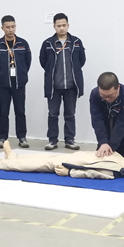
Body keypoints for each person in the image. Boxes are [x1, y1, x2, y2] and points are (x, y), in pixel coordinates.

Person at [39, 13, 86, 151]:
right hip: (54, 86)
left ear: (68, 25)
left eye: (64, 25)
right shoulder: (48, 43)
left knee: (70, 114)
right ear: (54, 26)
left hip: (71, 85)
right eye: (58, 25)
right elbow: (43, 62)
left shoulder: (76, 42)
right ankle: (52, 140)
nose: (61, 28)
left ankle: (70, 140)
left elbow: (81, 61)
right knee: (53, 114)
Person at [0, 140, 124, 180]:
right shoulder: (122, 160)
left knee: (40, 164)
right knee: (44, 157)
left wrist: (70, 172)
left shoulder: (116, 171)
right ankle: (13, 157)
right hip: (76, 158)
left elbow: (92, 173)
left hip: (71, 165)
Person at [0, 15, 31, 149]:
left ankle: (22, 137)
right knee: (3, 112)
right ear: (2, 28)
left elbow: (27, 62)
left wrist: (22, 74)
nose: (10, 30)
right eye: (7, 27)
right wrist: (1, 74)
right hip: (3, 85)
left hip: (19, 84)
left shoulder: (23, 44)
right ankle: (2, 138)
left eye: (13, 26)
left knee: (20, 112)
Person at [89, 72, 124, 160]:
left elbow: (122, 124)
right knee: (101, 162)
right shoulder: (95, 95)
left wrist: (111, 146)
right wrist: (103, 142)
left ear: (118, 88)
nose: (107, 99)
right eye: (103, 96)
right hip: (106, 136)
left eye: (110, 96)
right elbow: (97, 119)